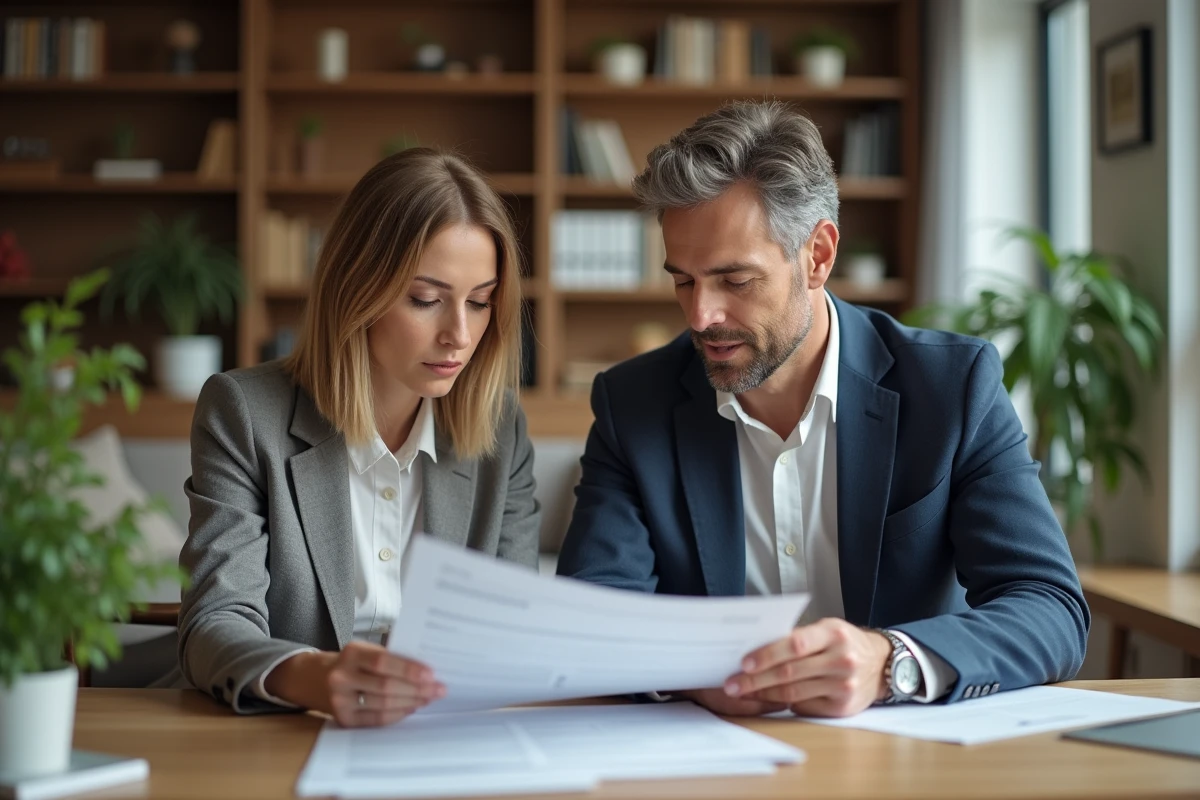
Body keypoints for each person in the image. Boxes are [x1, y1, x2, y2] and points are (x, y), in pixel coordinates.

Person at [556, 101, 1089, 718]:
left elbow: (1049, 606)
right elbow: (591, 615)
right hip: (710, 756)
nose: (702, 316)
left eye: (735, 280)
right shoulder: (633, 403)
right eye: (684, 280)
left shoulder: (950, 387)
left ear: (818, 256)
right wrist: (687, 674)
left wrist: (889, 662)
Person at [179, 148, 540, 726]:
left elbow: (514, 622)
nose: (460, 334)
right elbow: (215, 621)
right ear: (357, 288)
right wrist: (311, 676)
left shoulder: (501, 427)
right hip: (288, 729)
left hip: (450, 732)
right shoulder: (244, 412)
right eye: (426, 300)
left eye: (479, 302)